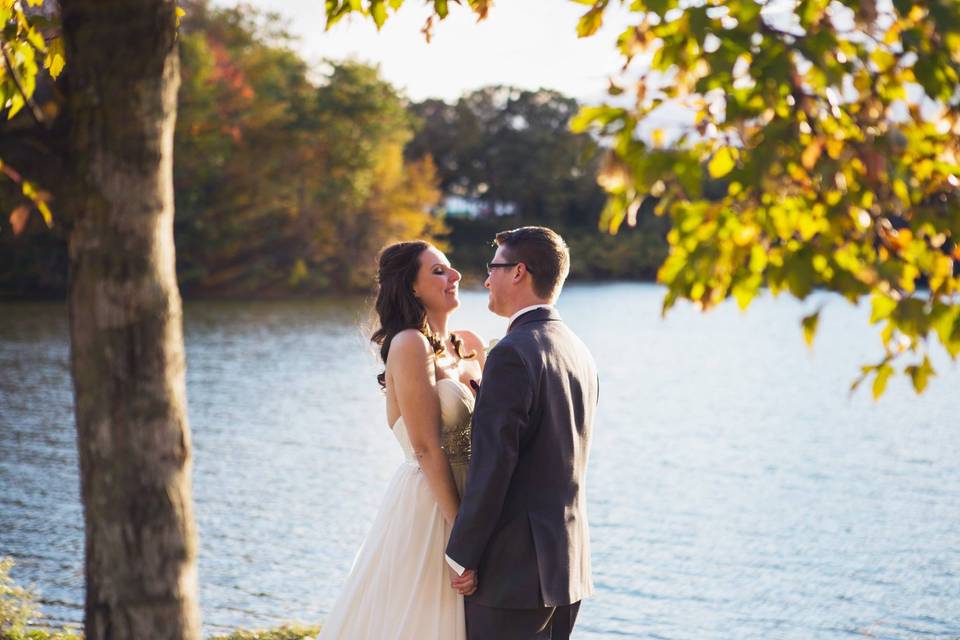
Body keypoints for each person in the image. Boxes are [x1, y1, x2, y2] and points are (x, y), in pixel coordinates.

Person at [318, 240, 485, 640]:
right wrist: (459, 541)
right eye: (439, 271)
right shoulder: (409, 344)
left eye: (451, 267)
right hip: (433, 506)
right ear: (411, 287)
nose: (455, 276)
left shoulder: (472, 345)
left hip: (474, 501)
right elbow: (426, 448)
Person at [446, 226, 599, 640]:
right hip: (567, 565)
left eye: (493, 267)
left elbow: (493, 467)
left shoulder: (513, 352)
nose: (487, 278)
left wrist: (463, 554)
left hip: (513, 571)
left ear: (519, 272)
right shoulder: (577, 349)